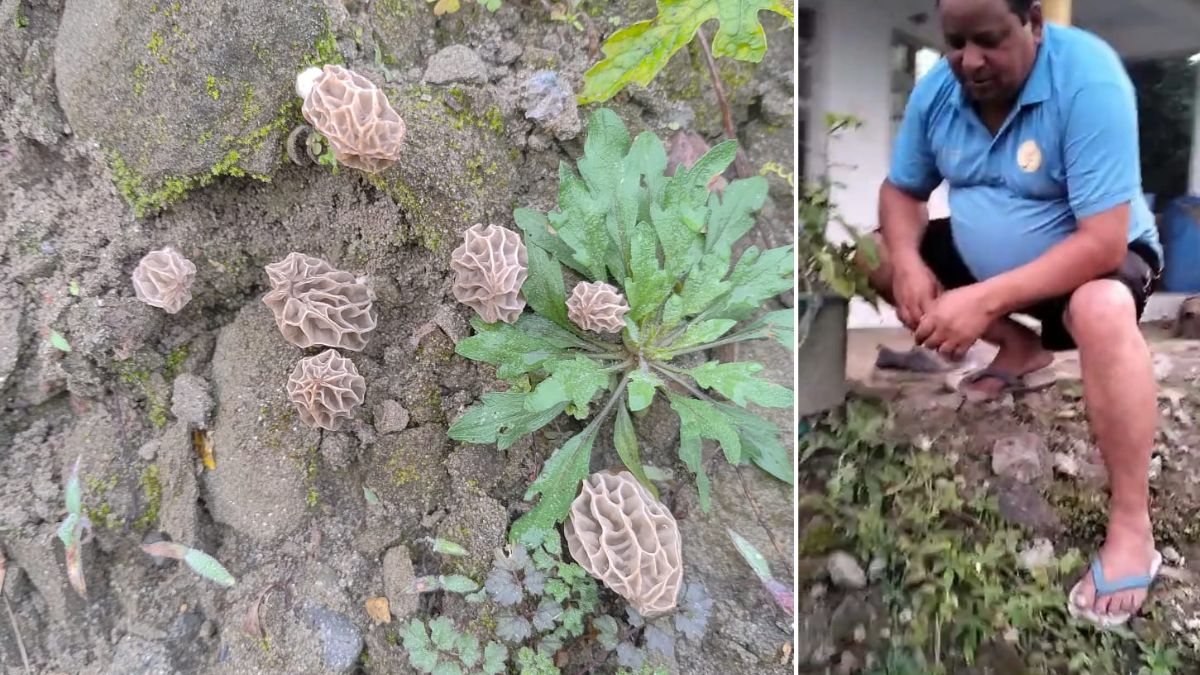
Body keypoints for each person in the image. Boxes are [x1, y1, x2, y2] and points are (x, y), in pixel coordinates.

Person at [870, 0, 1164, 627]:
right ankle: (1020, 352)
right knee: (870, 256)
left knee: (1104, 307)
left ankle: (1132, 523)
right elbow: (901, 190)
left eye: (988, 40)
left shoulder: (1089, 78)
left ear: (1032, 22)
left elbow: (1102, 241)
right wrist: (908, 261)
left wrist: (979, 300)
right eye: (955, 42)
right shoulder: (938, 93)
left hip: (1090, 259)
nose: (970, 60)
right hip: (991, 264)